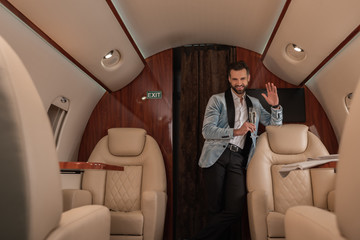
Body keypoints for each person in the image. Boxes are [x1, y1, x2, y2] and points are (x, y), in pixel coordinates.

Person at [189, 61, 283, 240]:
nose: (238, 82)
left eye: (242, 79)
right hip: (216, 156)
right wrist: (236, 131)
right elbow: (207, 131)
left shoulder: (254, 103)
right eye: (234, 79)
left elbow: (274, 126)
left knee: (235, 209)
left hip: (239, 159)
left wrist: (275, 107)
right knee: (214, 208)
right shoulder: (217, 100)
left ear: (248, 79)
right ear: (229, 79)